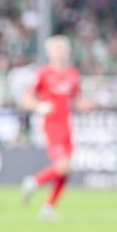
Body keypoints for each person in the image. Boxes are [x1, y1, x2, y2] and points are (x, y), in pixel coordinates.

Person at [20, 35, 93, 221]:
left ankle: (48, 208)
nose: (60, 52)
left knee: (66, 170)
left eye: (62, 48)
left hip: (67, 125)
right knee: (62, 166)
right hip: (51, 125)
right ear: (49, 52)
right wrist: (39, 107)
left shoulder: (72, 74)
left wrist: (88, 105)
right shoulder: (43, 73)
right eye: (56, 48)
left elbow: (77, 101)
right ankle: (33, 182)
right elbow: (27, 99)